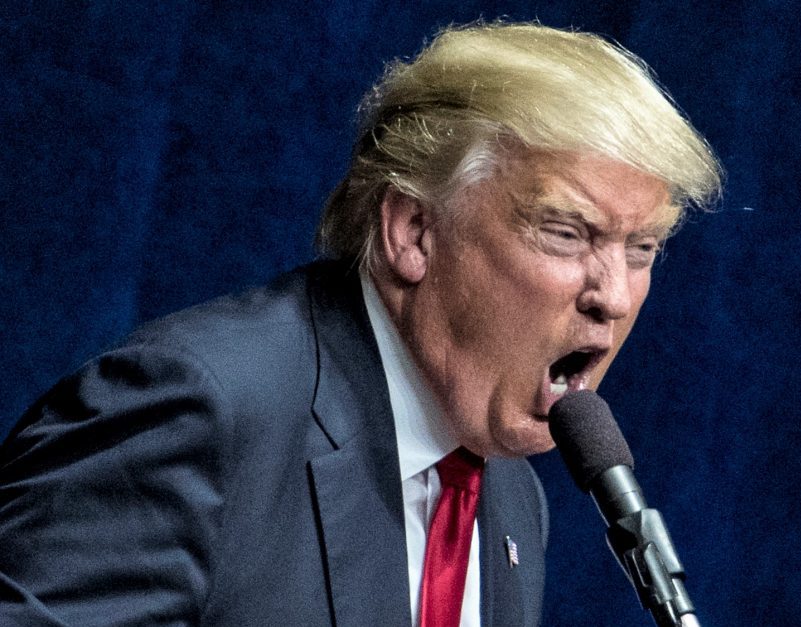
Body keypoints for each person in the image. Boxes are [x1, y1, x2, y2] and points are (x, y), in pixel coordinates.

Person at [0, 21, 720, 626]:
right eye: (566, 233)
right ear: (414, 230)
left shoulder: (512, 497)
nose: (615, 296)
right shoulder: (195, 413)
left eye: (642, 248)